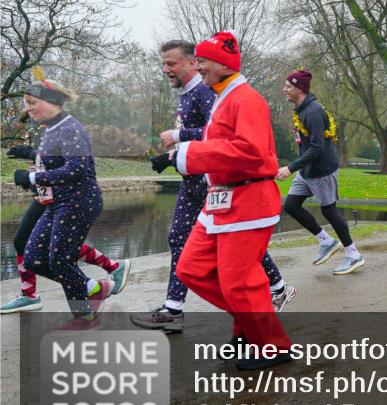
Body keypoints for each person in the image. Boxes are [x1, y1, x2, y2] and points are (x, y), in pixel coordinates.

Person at [133, 40, 293, 333]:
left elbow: (249, 150)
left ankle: (264, 334)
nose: (198, 65)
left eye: (202, 61)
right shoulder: (221, 95)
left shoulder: (241, 98)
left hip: (241, 196)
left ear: (221, 64)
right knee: (192, 266)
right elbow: (218, 139)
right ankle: (251, 321)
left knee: (237, 277)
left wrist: (183, 152)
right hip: (218, 195)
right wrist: (179, 156)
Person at [2, 114, 130, 314]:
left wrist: (33, 161)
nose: (32, 119)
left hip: (64, 195)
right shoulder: (40, 129)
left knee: (55, 248)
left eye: (34, 113)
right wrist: (32, 161)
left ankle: (102, 276)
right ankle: (33, 294)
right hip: (46, 192)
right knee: (27, 244)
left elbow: (68, 162)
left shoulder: (64, 126)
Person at [13, 80, 114, 328]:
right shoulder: (50, 127)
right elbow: (51, 159)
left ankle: (85, 317)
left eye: (32, 103)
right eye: (27, 104)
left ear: (52, 102)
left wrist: (32, 177)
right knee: (34, 257)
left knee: (60, 260)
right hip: (57, 202)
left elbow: (76, 169)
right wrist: (31, 161)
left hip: (79, 201)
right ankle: (93, 287)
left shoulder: (70, 128)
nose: (29, 109)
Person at [277, 69, 363, 275]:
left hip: (322, 170)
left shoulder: (313, 112)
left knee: (329, 210)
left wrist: (290, 167)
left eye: (288, 86)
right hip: (307, 170)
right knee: (291, 204)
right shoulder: (301, 110)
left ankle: (353, 254)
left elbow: (317, 148)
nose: (284, 90)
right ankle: (326, 241)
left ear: (299, 88)